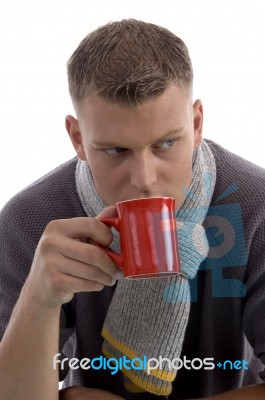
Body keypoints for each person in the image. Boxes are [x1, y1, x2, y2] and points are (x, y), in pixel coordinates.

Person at [0, 19, 265, 400]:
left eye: (166, 144)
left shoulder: (256, 206)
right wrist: (39, 297)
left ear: (196, 123)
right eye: (116, 151)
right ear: (77, 138)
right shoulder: (28, 221)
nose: (144, 179)